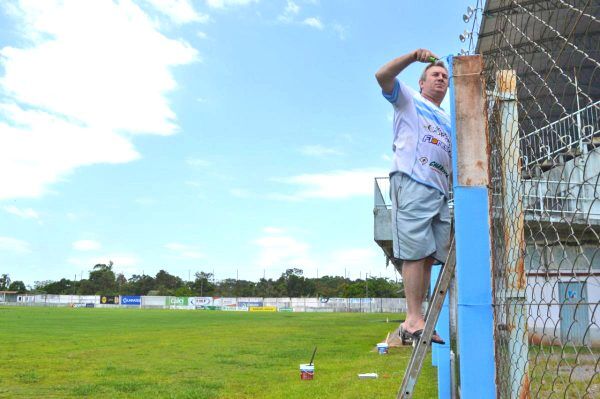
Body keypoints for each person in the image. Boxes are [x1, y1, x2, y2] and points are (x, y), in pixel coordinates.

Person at [375, 49, 451, 344]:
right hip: (413, 180)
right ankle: (412, 318)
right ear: (422, 82)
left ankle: (420, 319)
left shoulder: (446, 118)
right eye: (435, 75)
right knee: (414, 251)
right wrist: (412, 57)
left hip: (439, 190)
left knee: (430, 255)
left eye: (445, 77)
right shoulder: (409, 99)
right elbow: (382, 76)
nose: (441, 79)